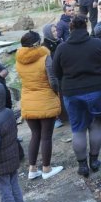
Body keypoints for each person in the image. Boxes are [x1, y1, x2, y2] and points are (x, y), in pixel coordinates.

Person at [53, 15, 101, 177]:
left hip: (72, 93)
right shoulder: (97, 44)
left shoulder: (62, 48)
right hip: (97, 90)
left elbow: (56, 72)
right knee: (95, 126)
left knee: (78, 130)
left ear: (70, 29)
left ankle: (82, 166)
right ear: (86, 28)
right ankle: (94, 161)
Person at [15, 31, 63, 180]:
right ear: (36, 44)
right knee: (46, 137)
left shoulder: (18, 60)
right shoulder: (45, 58)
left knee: (35, 135)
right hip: (45, 100)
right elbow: (53, 81)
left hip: (28, 101)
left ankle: (32, 169)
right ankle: (47, 168)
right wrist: (57, 92)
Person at [41, 23, 68, 128]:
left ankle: (65, 115)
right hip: (52, 74)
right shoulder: (44, 47)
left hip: (63, 72)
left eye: (56, 30)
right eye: (53, 31)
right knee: (54, 95)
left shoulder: (60, 42)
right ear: (48, 33)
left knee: (64, 94)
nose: (56, 33)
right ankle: (57, 118)